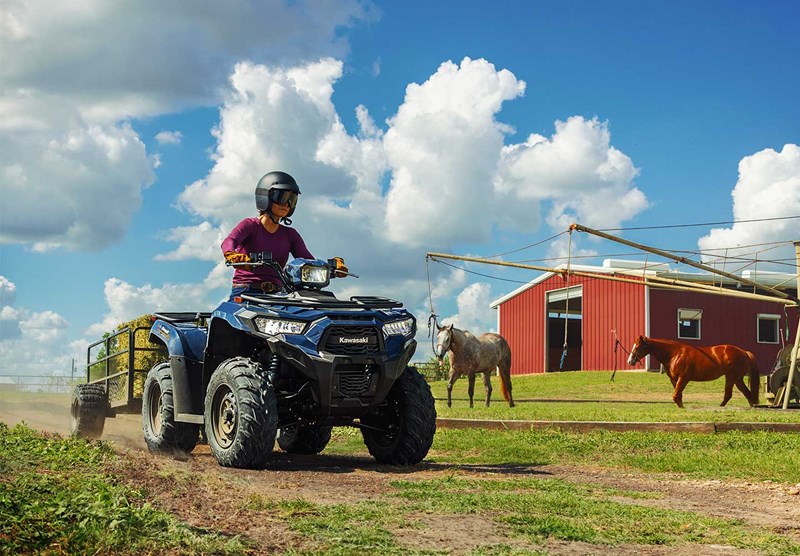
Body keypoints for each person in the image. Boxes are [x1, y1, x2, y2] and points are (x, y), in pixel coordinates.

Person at [221, 171, 347, 298]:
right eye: (282, 197)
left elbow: (308, 262)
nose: (287, 204)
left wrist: (331, 268)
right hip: (246, 291)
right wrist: (232, 254)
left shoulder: (290, 234)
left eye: (292, 200)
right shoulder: (250, 225)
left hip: (278, 294)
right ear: (265, 197)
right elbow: (230, 241)